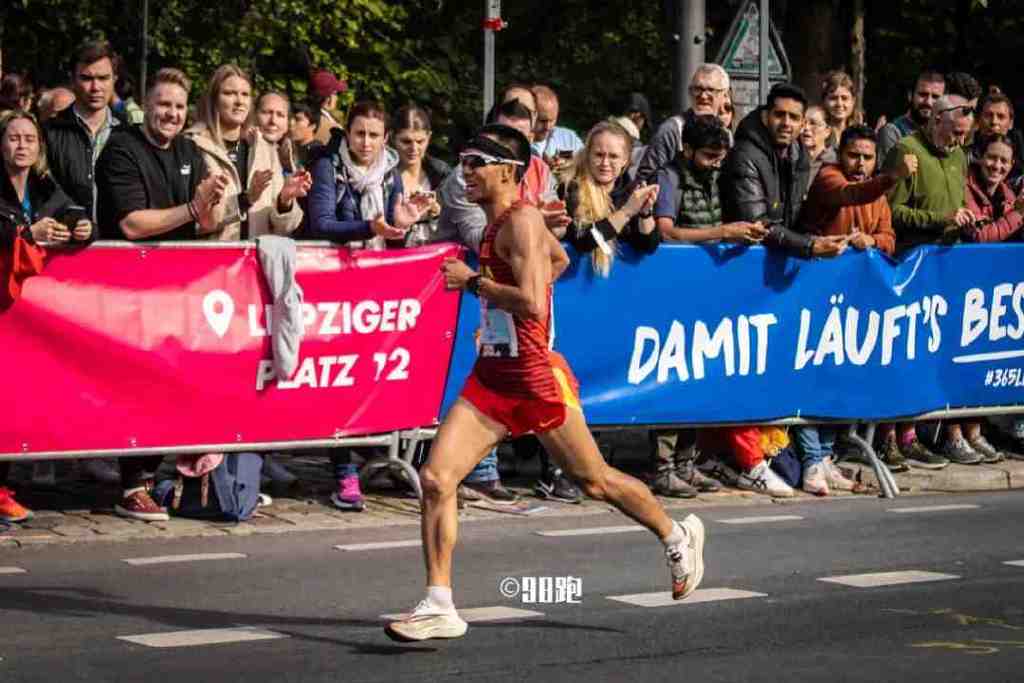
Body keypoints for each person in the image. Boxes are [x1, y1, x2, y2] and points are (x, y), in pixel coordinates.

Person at [384, 124, 706, 642]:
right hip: (493, 375)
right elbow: (555, 262)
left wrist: (474, 284)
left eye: (474, 163)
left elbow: (533, 300)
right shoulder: (502, 224)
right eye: (463, 162)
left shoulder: (521, 221)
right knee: (438, 479)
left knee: (594, 480)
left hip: (534, 377)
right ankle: (438, 602)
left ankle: (676, 536)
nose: (463, 173)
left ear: (506, 171)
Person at [95, 67, 228, 519]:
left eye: (177, 106)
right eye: (162, 105)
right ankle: (133, 483)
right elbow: (132, 224)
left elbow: (203, 227)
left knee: (175, 382)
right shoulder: (121, 148)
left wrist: (210, 204)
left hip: (177, 291)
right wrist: (192, 207)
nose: (170, 114)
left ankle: (161, 473)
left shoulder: (189, 150)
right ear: (146, 106)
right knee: (136, 384)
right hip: (127, 290)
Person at [306, 100, 428, 509]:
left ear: (384, 138)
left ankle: (375, 454)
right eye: (359, 133)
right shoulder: (329, 165)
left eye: (374, 135)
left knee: (369, 375)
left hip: (375, 288)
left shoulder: (391, 172)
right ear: (348, 133)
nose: (366, 142)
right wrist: (367, 226)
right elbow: (320, 223)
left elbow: (391, 234)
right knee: (337, 377)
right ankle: (343, 471)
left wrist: (401, 225)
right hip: (334, 284)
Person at [0, 109, 96, 521]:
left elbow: (70, 207)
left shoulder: (41, 182)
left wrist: (79, 226)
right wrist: (25, 234)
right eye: (13, 138)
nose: (21, 146)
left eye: (29, 139)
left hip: (22, 316)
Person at [719, 82, 848, 259]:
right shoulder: (744, 156)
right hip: (740, 259)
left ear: (802, 123)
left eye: (794, 117)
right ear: (765, 116)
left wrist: (817, 238)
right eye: (779, 115)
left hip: (782, 255)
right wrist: (809, 246)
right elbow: (756, 225)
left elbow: (796, 218)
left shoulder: (799, 152)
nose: (786, 123)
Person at [184, 66, 308, 241]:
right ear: (213, 99)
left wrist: (284, 201)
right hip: (212, 262)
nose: (239, 101)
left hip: (256, 263)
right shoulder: (192, 145)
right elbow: (190, 223)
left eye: (245, 94)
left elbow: (283, 229)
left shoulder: (264, 148)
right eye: (229, 93)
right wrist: (244, 200)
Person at [45, 41, 124, 226]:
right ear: (72, 80)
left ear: (115, 79)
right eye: (86, 78)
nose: (95, 87)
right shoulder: (49, 133)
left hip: (120, 246)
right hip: (64, 245)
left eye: (104, 78)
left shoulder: (130, 132)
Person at [635, 64, 731, 183]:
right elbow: (645, 179)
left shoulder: (726, 133)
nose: (703, 96)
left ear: (725, 94)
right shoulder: (671, 131)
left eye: (711, 90)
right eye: (697, 89)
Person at [391, 104, 448, 246]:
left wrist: (437, 211)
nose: (414, 148)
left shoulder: (442, 173)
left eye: (420, 141)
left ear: (429, 137)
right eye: (406, 141)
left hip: (436, 256)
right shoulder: (383, 176)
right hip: (396, 256)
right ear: (392, 138)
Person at [963, 134, 1024, 243]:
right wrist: (1019, 212)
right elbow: (982, 235)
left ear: (1011, 165)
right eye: (992, 157)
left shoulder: (1010, 196)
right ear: (980, 157)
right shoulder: (963, 188)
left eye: (1004, 161)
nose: (996, 166)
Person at [877, 70, 945, 166]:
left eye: (935, 97)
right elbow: (887, 177)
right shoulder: (893, 132)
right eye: (922, 95)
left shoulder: (945, 134)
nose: (928, 102)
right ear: (910, 95)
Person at [530, 84, 584, 162]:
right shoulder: (517, 143)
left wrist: (569, 167)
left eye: (552, 120)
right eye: (542, 121)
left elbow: (588, 166)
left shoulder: (569, 138)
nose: (547, 127)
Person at [800, 105, 838, 191]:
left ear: (827, 131)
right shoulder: (791, 159)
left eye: (813, 123)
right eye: (802, 123)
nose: (806, 128)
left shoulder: (835, 161)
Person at [309, 69, 346, 145]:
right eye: (335, 94)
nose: (337, 98)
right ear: (328, 99)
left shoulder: (303, 115)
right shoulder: (332, 129)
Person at [821, 70, 858, 147]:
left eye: (844, 98)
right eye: (833, 98)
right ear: (824, 101)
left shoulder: (859, 134)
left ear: (853, 101)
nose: (839, 104)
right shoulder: (815, 133)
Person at [289, 103, 320, 171]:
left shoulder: (318, 156)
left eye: (298, 119)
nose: (291, 123)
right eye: (290, 118)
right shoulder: (287, 149)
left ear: (312, 126)